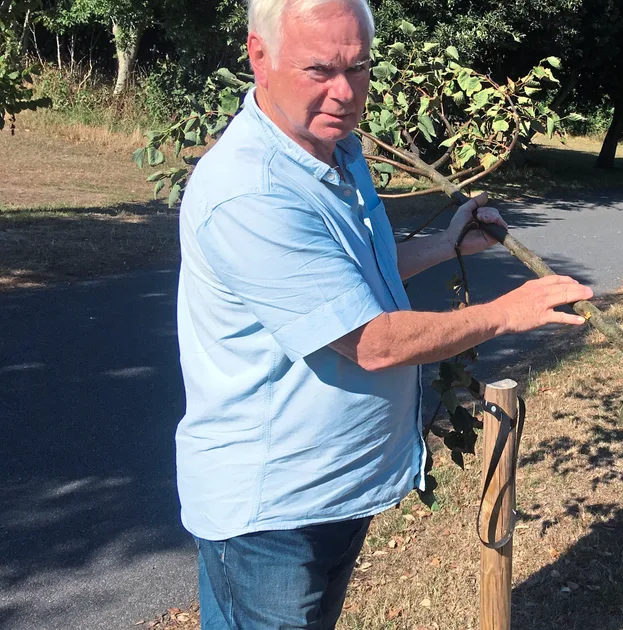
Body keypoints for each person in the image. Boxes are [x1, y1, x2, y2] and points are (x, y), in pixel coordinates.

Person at [174, 0, 593, 627]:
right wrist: (507, 313)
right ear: (259, 58)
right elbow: (371, 341)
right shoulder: (250, 191)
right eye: (320, 70)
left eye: (358, 68)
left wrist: (448, 244)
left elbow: (350, 278)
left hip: (332, 490)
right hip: (273, 515)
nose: (344, 93)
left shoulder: (332, 151)